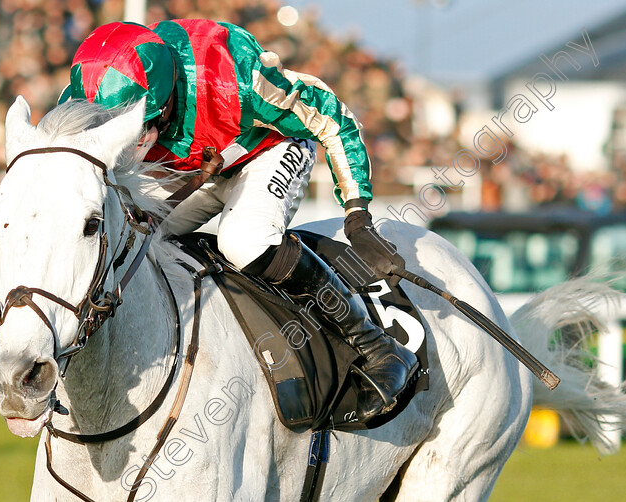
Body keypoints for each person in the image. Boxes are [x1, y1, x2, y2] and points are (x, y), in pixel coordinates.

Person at [62, 20, 417, 422]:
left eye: (136, 133)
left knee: (243, 240)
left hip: (266, 150)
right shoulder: (81, 97)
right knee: (126, 236)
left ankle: (375, 345)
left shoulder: (236, 75)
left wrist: (358, 217)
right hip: (196, 166)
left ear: (160, 106)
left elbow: (333, 119)